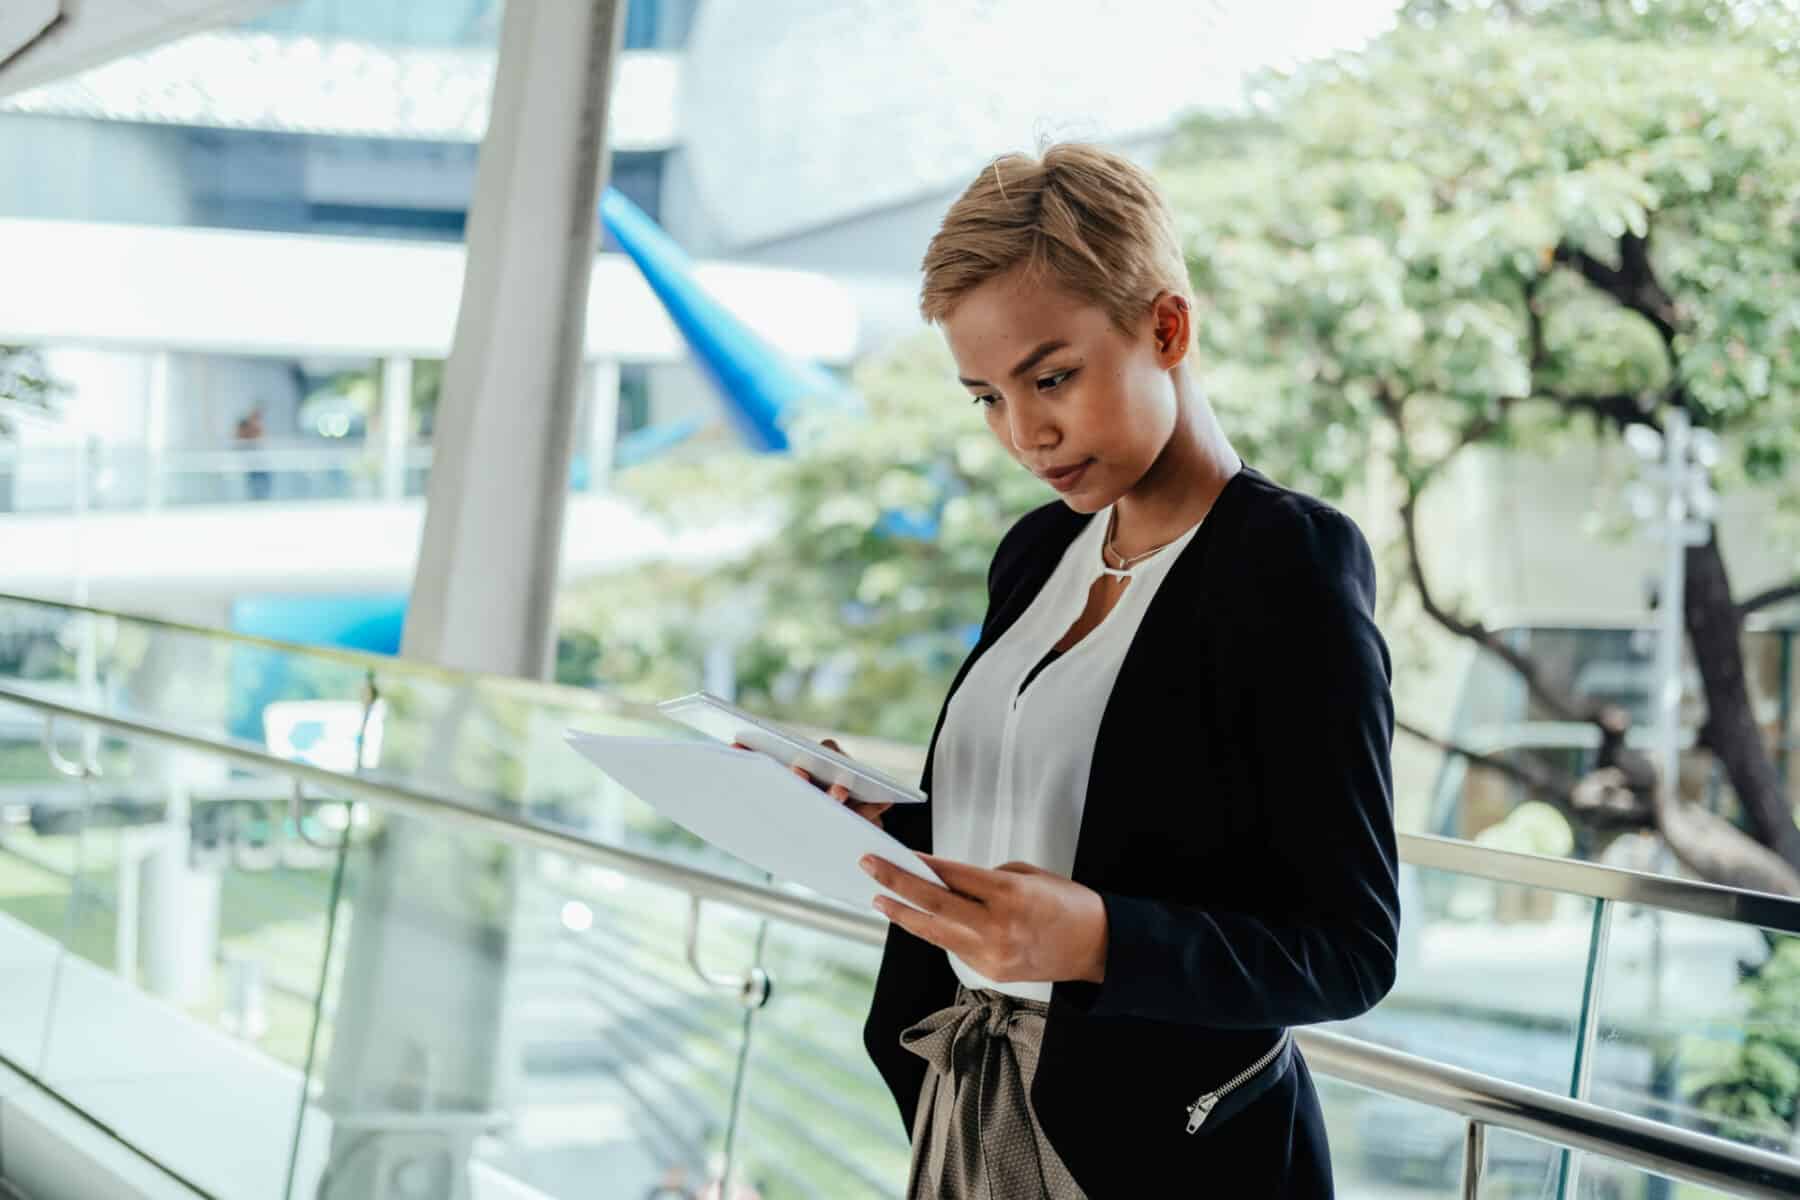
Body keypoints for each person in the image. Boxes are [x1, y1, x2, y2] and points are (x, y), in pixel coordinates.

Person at [795, 144, 1399, 1197]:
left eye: (1052, 377)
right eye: (986, 397)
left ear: (1166, 328)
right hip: (971, 1094)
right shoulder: (1038, 551)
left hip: (1163, 1148)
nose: (1026, 433)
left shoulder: (1285, 565)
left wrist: (1104, 940)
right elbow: (1040, 827)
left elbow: (1349, 949)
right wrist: (877, 818)